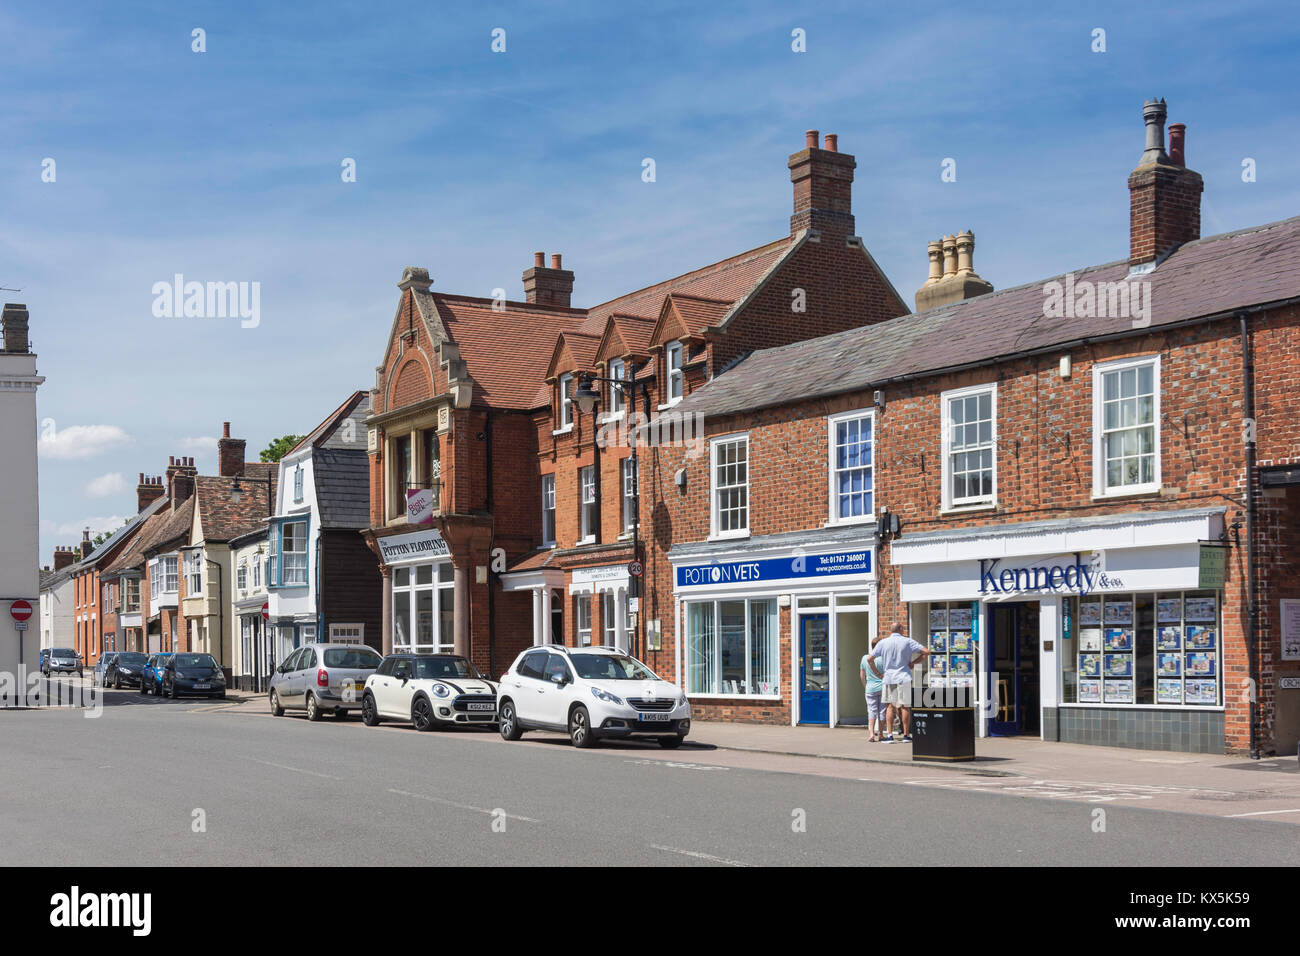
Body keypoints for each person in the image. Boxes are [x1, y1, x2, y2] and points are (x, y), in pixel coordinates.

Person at [866, 621, 928, 743]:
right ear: (900, 629)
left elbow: (869, 659)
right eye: (903, 628)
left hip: (889, 678)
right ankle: (906, 735)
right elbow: (926, 652)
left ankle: (889, 735)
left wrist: (878, 674)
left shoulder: (883, 643)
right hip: (904, 677)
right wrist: (913, 663)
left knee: (890, 706)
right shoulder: (907, 641)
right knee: (905, 706)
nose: (904, 630)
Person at [860, 635, 885, 742]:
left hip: (870, 688)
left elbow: (862, 675)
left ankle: (871, 734)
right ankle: (881, 734)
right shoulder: (884, 658)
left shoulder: (865, 658)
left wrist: (866, 686)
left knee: (871, 711)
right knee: (882, 711)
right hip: (883, 687)